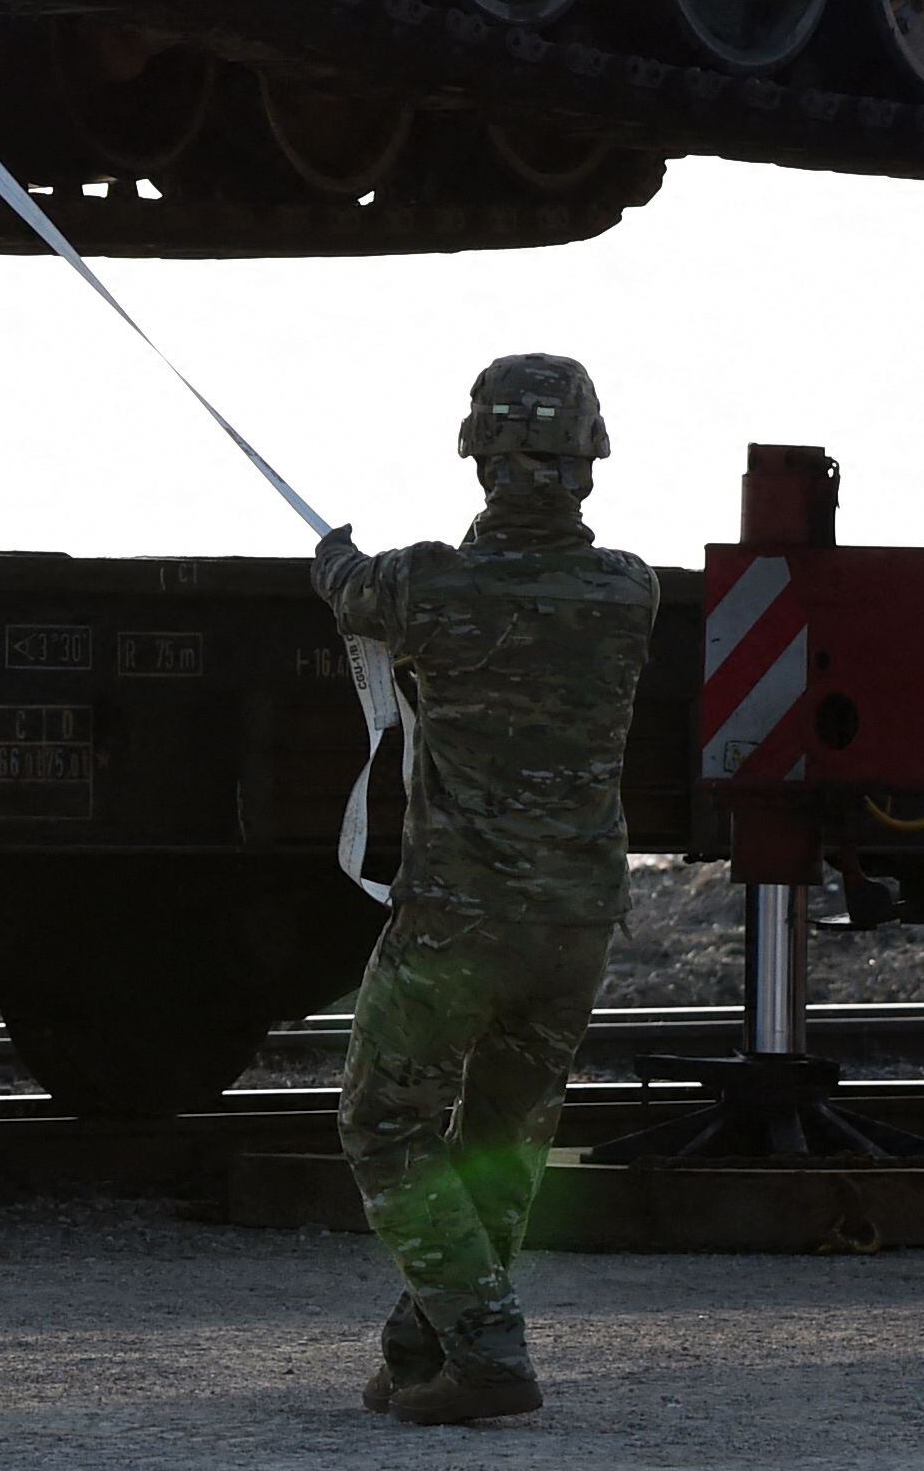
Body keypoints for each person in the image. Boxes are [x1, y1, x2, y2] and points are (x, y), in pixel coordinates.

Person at [313, 352, 660, 1427]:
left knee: (383, 1121)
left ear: (478, 461)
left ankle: (489, 1351)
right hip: (574, 921)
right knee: (503, 1136)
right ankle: (428, 1344)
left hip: (458, 922)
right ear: (588, 465)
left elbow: (349, 589)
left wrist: (331, 555)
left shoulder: (424, 586)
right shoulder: (626, 590)